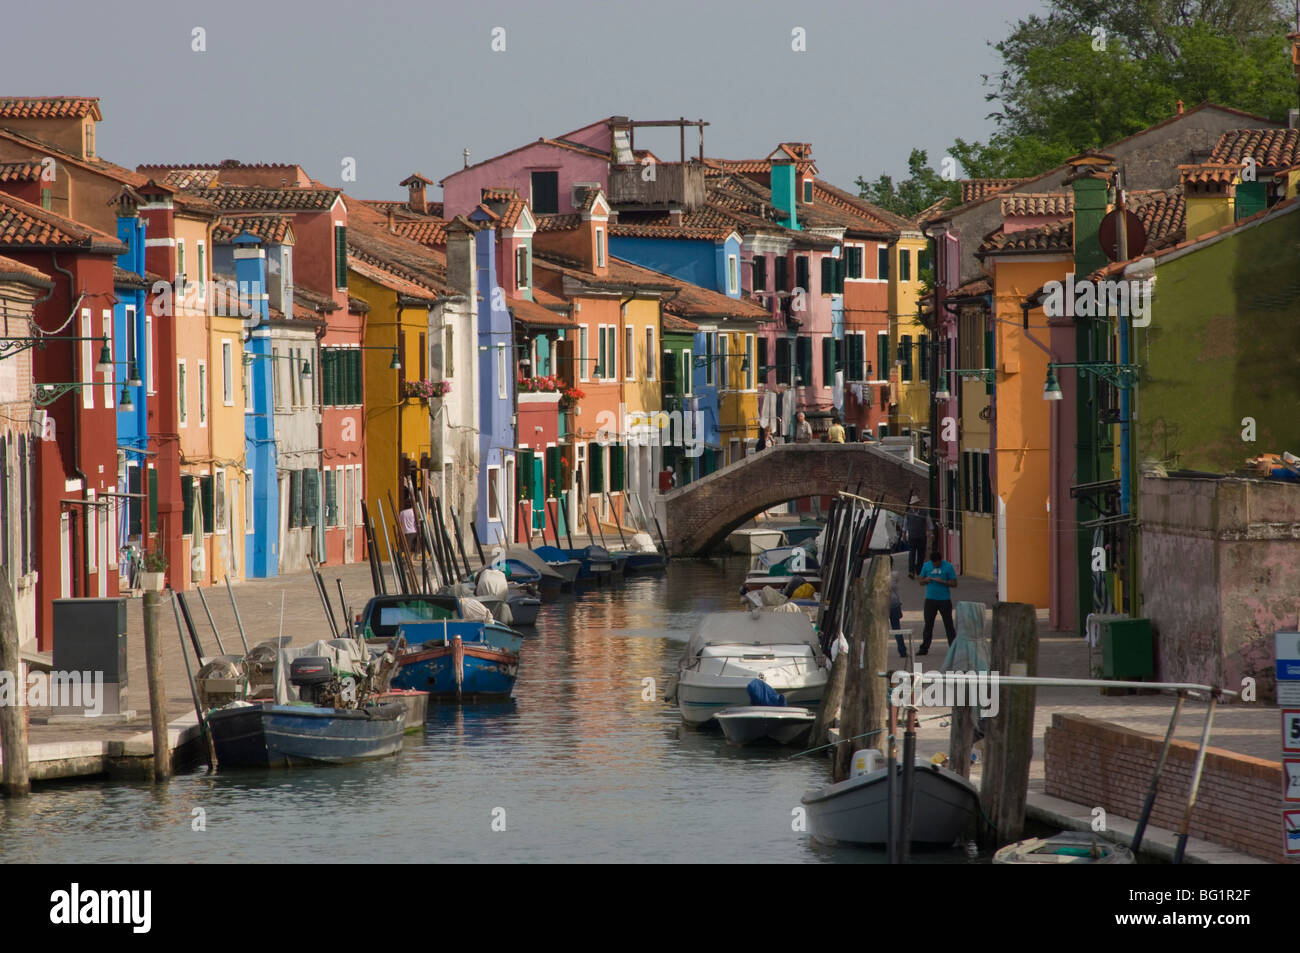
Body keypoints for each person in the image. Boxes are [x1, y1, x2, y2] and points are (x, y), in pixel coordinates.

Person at [917, 548, 957, 656]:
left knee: (948, 624)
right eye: (933, 564)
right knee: (928, 624)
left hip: (944, 599)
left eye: (937, 564)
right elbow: (920, 580)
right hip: (930, 599)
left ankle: (953, 647)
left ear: (941, 560)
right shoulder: (926, 566)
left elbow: (954, 583)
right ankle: (924, 647)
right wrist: (926, 580)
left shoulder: (948, 567)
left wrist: (943, 582)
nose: (935, 565)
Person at [904, 495, 927, 578]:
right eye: (913, 504)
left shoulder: (924, 512)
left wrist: (931, 532)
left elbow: (929, 522)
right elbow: (905, 525)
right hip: (912, 536)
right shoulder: (908, 513)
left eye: (916, 504)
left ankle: (919, 571)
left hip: (922, 536)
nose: (915, 506)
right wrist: (904, 534)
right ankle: (911, 571)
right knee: (912, 554)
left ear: (918, 504)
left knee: (921, 554)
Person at [890, 570, 906, 657]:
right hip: (895, 604)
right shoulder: (895, 574)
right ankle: (902, 650)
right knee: (897, 628)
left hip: (883, 605)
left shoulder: (876, 573)